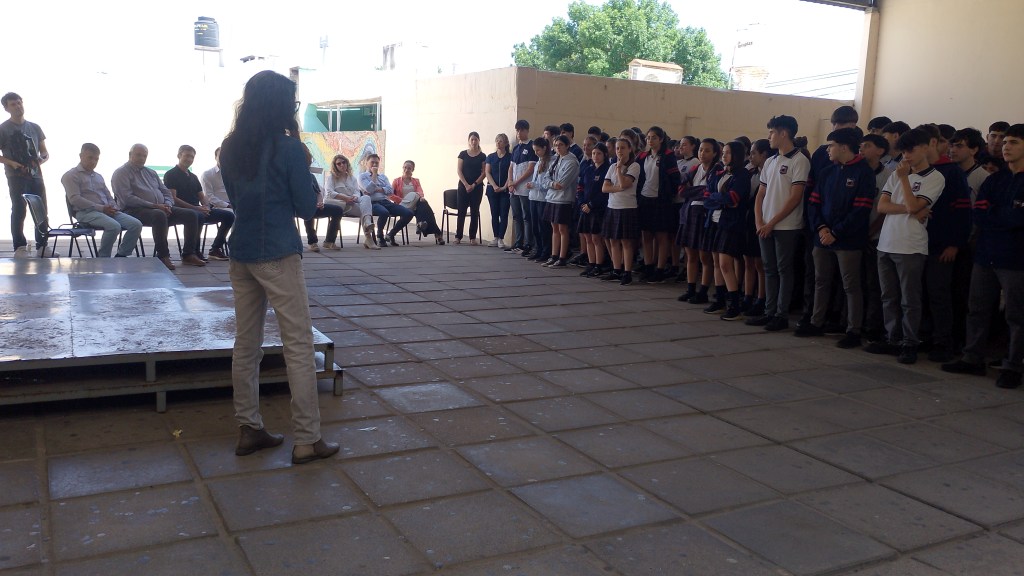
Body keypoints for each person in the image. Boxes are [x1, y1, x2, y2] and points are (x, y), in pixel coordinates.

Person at [219, 70, 338, 464]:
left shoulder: (230, 148)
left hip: (241, 251)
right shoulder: (288, 149)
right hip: (278, 253)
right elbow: (306, 207)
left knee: (246, 344)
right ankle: (307, 439)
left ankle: (248, 428)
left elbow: (235, 198)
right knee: (299, 346)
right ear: (280, 106)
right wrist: (304, 167)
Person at [942, 124, 1024, 389]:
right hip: (986, 254)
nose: (1006, 147)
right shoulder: (996, 179)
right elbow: (978, 212)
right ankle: (972, 357)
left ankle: (1013, 366)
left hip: (1016, 259)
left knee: (1016, 315)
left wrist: (998, 216)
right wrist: (1004, 216)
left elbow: (1018, 218)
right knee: (977, 308)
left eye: (1013, 142)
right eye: (1005, 142)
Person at [867, 128, 946, 364]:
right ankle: (892, 338)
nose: (906, 156)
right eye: (903, 152)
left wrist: (904, 182)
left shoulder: (935, 177)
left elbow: (913, 205)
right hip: (886, 242)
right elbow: (883, 207)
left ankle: (910, 342)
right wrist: (913, 210)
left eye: (910, 150)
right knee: (888, 296)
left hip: (911, 246)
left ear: (926, 147)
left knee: (909, 299)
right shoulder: (896, 174)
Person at [797, 128, 876, 347]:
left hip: (848, 240)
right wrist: (822, 228)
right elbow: (813, 203)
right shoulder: (827, 172)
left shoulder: (864, 173)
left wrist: (836, 232)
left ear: (843, 147)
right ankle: (816, 322)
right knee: (820, 281)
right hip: (822, 237)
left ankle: (853, 330)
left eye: (831, 145)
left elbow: (861, 209)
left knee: (851, 285)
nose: (827, 150)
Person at [745, 115, 810, 332]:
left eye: (772, 132)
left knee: (784, 270)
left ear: (784, 133)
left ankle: (781, 315)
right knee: (769, 269)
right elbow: (760, 194)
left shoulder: (799, 160)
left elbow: (795, 197)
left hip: (786, 226)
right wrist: (759, 221)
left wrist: (771, 222)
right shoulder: (770, 162)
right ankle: (769, 311)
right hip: (765, 225)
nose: (769, 136)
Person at [111, 144, 205, 270]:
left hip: (160, 207)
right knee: (158, 215)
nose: (142, 158)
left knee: (191, 214)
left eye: (144, 155)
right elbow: (127, 198)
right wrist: (155, 206)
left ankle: (188, 254)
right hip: (133, 210)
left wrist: (168, 204)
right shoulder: (121, 173)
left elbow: (166, 191)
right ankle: (163, 256)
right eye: (138, 155)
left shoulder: (151, 172)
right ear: (130, 155)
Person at [61, 143, 143, 258]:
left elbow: (108, 195)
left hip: (107, 211)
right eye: (90, 158)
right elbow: (75, 199)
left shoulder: (98, 176)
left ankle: (121, 255)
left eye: (96, 159)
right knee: (114, 226)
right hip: (85, 212)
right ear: (81, 156)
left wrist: (113, 207)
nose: (93, 162)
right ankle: (103, 257)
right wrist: (101, 208)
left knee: (136, 224)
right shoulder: (71, 175)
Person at [704, 140, 752, 320]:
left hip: (731, 223)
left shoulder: (742, 174)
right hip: (714, 220)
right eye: (723, 152)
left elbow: (733, 198)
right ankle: (720, 299)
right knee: (716, 261)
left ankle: (735, 304)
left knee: (725, 263)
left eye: (728, 152)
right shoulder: (720, 173)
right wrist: (719, 198)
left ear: (737, 155)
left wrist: (718, 198)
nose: (724, 156)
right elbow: (707, 197)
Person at [164, 144, 234, 261]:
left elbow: (202, 196)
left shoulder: (193, 177)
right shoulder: (171, 174)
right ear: (179, 155)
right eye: (187, 156)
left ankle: (215, 249)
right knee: (197, 215)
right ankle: (190, 253)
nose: (189, 159)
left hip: (197, 210)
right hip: (180, 210)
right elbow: (173, 198)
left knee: (229, 216)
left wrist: (206, 207)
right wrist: (196, 208)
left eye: (192, 157)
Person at [0, 92, 49, 257]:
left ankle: (42, 246)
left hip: (36, 175)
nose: (18, 106)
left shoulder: (34, 127)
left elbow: (44, 152)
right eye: (13, 104)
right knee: (19, 209)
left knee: (41, 210)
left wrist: (41, 159)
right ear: (6, 108)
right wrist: (11, 163)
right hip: (16, 177)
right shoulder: (3, 129)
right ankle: (20, 247)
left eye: (19, 102)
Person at [636, 126, 682, 283]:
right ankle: (648, 266)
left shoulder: (668, 156)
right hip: (645, 199)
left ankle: (660, 269)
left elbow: (675, 179)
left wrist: (668, 194)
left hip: (661, 200)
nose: (650, 140)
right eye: (648, 137)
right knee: (646, 235)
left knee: (661, 236)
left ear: (661, 139)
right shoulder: (643, 156)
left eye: (654, 137)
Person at [677, 138, 721, 304]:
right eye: (701, 150)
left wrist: (695, 191)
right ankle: (690, 289)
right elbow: (682, 191)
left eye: (707, 150)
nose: (702, 153)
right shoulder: (695, 169)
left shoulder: (718, 170)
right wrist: (699, 191)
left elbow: (709, 193)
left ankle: (703, 291)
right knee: (690, 255)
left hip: (704, 215)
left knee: (705, 256)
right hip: (689, 213)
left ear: (715, 153)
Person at [601, 137, 641, 285]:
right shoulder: (611, 166)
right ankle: (616, 269)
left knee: (626, 242)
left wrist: (619, 169)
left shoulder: (634, 166)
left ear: (630, 149)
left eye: (623, 148)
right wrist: (618, 188)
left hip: (627, 207)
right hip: (612, 206)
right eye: (617, 148)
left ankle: (627, 272)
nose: (619, 151)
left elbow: (625, 183)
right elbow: (604, 188)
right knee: (613, 240)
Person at [742, 139, 774, 317]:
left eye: (754, 153)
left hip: (763, 221)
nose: (750, 157)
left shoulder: (770, 174)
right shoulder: (750, 172)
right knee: (748, 260)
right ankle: (747, 296)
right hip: (749, 220)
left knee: (760, 263)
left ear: (764, 155)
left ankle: (761, 298)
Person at [325, 154, 378, 250]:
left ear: (347, 163)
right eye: (338, 164)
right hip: (339, 205)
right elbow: (329, 192)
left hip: (351, 204)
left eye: (343, 162)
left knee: (366, 198)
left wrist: (354, 197)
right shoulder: (331, 177)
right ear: (335, 166)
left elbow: (357, 192)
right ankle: (369, 239)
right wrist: (345, 198)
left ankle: (367, 223)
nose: (342, 165)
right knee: (365, 211)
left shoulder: (352, 178)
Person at [543, 134, 580, 267]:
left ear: (567, 146)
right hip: (552, 198)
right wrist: (553, 184)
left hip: (564, 199)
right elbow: (545, 179)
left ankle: (562, 257)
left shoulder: (571, 161)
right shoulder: (556, 159)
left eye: (561, 145)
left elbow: (562, 184)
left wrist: (551, 184)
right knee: (554, 228)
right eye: (555, 145)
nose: (558, 147)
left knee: (563, 229)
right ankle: (554, 255)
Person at [360, 153, 413, 247]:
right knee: (384, 213)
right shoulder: (362, 177)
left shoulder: (383, 177)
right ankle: (380, 236)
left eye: (377, 163)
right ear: (366, 163)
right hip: (372, 203)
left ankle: (391, 234)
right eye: (372, 162)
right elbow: (369, 189)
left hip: (385, 201)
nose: (375, 164)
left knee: (408, 213)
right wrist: (374, 175)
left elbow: (390, 191)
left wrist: (379, 189)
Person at [391, 160, 444, 244]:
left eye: (409, 168)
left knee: (424, 203)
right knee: (428, 212)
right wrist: (402, 200)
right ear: (402, 168)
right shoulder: (396, 181)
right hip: (403, 205)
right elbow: (390, 195)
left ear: (413, 170)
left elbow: (420, 191)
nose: (406, 170)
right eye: (405, 167)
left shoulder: (416, 181)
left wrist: (421, 197)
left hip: (415, 205)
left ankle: (421, 224)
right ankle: (436, 233)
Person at [578, 141, 611, 277]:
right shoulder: (588, 169)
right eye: (593, 153)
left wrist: (591, 205)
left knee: (596, 238)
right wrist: (582, 203)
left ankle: (599, 265)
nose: (595, 156)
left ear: (605, 155)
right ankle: (591, 264)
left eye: (598, 153)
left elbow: (604, 193)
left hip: (598, 209)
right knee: (587, 237)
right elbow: (580, 187)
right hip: (585, 208)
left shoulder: (607, 170)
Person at [506, 120, 537, 253]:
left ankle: (528, 243)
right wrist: (510, 182)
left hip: (524, 188)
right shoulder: (516, 148)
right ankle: (518, 242)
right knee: (516, 216)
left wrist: (516, 182)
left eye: (521, 130)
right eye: (517, 130)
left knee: (526, 217)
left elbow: (530, 169)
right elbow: (511, 167)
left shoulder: (531, 146)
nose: (519, 133)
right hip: (514, 188)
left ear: (527, 131)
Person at [525, 137, 553, 262]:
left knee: (543, 227)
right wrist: (531, 184)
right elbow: (535, 179)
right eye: (534, 150)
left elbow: (547, 183)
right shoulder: (538, 162)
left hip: (543, 199)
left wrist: (535, 185)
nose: (536, 153)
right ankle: (538, 249)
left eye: (538, 150)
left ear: (544, 148)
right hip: (533, 197)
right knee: (535, 226)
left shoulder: (550, 162)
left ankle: (546, 251)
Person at [455, 132, 486, 244]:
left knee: (474, 211)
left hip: (477, 188)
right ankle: (458, 236)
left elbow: (484, 173)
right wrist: (466, 185)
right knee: (461, 211)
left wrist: (474, 185)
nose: (474, 141)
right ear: (469, 141)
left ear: (479, 141)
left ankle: (472, 237)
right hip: (463, 186)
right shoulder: (463, 154)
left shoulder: (482, 156)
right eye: (472, 139)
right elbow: (459, 170)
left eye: (475, 139)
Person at [304, 175, 346, 252]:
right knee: (308, 208)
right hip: (299, 207)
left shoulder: (311, 176)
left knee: (338, 210)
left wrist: (320, 202)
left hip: (314, 205)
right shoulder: (292, 175)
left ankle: (329, 241)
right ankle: (312, 242)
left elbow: (318, 193)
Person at [485, 134, 512, 247]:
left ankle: (501, 238)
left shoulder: (510, 157)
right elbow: (487, 172)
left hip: (505, 190)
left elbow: (511, 173)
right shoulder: (491, 157)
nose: (498, 143)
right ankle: (495, 237)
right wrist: (494, 186)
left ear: (506, 143)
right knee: (494, 213)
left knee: (504, 214)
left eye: (500, 141)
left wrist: (505, 186)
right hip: (493, 189)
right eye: (497, 141)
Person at [200, 147, 233, 212]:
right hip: (218, 207)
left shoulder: (233, 174)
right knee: (234, 214)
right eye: (221, 155)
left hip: (234, 205)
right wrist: (227, 205)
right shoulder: (207, 174)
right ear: (215, 157)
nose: (223, 158)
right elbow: (209, 197)